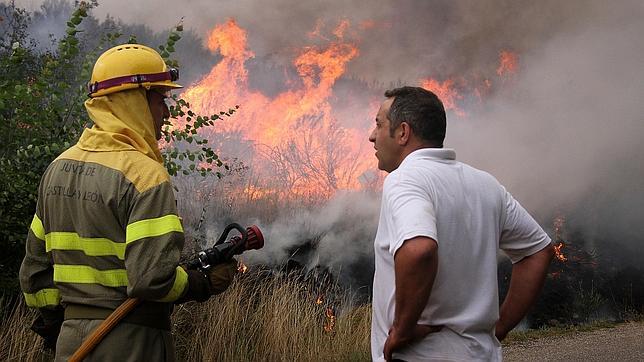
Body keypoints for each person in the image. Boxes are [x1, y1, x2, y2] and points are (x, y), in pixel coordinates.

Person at [19, 43, 237, 361]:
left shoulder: (58, 169)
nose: (166, 112)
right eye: (160, 99)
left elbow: (34, 273)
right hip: (132, 343)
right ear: (133, 100)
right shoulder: (145, 175)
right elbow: (151, 280)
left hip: (71, 343)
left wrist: (59, 326)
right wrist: (199, 283)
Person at [369, 86, 554, 361]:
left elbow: (419, 250)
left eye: (379, 124)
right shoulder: (486, 185)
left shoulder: (405, 180)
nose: (372, 136)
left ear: (403, 132)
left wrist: (402, 330)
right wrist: (499, 328)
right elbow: (538, 251)